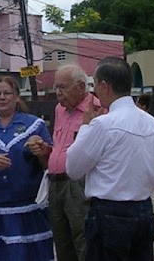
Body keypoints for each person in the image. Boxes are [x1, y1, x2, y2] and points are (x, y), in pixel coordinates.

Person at [66, 57, 154, 261]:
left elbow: (73, 168)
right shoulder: (152, 124)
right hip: (143, 210)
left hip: (108, 212)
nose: (94, 92)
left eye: (95, 85)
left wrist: (85, 127)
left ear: (104, 86)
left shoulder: (102, 125)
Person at [0, 75, 54, 261]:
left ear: (17, 97)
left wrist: (39, 150)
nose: (2, 97)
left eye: (7, 93)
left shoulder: (34, 125)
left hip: (28, 207)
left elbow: (49, 164)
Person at [28, 64, 102, 261]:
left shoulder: (96, 109)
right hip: (55, 182)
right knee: (62, 241)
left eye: (62, 87)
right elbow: (60, 145)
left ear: (80, 86)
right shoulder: (60, 110)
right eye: (56, 88)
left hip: (78, 183)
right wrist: (46, 150)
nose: (58, 93)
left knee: (83, 238)